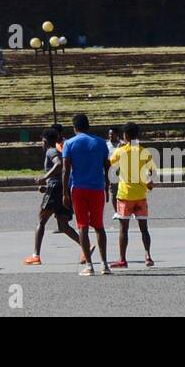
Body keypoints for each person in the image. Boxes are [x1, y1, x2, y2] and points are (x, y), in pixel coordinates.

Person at [62, 113, 110, 276]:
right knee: (99, 226)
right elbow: (106, 166)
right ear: (89, 126)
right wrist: (107, 185)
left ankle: (89, 265)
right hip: (97, 188)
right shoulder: (101, 142)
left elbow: (66, 170)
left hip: (79, 189)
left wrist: (64, 193)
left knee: (82, 226)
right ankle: (105, 264)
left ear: (74, 128)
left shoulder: (69, 143)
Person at [23, 128, 80, 265]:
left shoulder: (51, 151)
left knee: (41, 221)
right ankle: (86, 247)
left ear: (44, 141)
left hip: (55, 189)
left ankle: (36, 255)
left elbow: (59, 164)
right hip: (59, 187)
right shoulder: (55, 150)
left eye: (41, 141)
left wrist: (44, 178)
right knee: (63, 225)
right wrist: (47, 185)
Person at [108, 122, 156, 268]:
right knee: (144, 228)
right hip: (141, 194)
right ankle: (148, 256)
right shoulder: (144, 151)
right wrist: (149, 181)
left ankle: (122, 259)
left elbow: (109, 163)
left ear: (125, 136)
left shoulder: (121, 151)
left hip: (125, 194)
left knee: (124, 229)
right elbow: (152, 171)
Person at [106, 128, 121, 220]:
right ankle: (116, 212)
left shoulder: (121, 144)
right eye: (109, 134)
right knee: (114, 193)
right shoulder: (106, 145)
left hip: (122, 171)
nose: (110, 136)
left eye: (112, 134)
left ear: (117, 134)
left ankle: (129, 210)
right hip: (111, 172)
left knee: (124, 192)